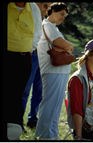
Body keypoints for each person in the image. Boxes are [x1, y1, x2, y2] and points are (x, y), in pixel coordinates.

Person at [35, 2, 74, 140]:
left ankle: (52, 134)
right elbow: (61, 43)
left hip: (59, 71)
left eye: (65, 15)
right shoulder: (47, 25)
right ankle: (44, 135)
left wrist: (67, 46)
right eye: (61, 14)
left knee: (56, 105)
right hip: (52, 70)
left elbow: (64, 45)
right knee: (50, 103)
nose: (63, 17)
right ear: (52, 11)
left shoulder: (54, 28)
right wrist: (69, 45)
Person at [3, 2, 39, 140]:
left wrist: (28, 48)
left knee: (17, 95)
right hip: (7, 55)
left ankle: (12, 134)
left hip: (24, 58)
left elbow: (37, 33)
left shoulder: (33, 7)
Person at [21, 2, 51, 129]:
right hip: (31, 55)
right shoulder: (29, 15)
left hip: (43, 58)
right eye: (46, 6)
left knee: (39, 90)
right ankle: (17, 121)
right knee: (25, 90)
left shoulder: (45, 21)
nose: (47, 9)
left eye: (49, 7)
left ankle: (33, 118)